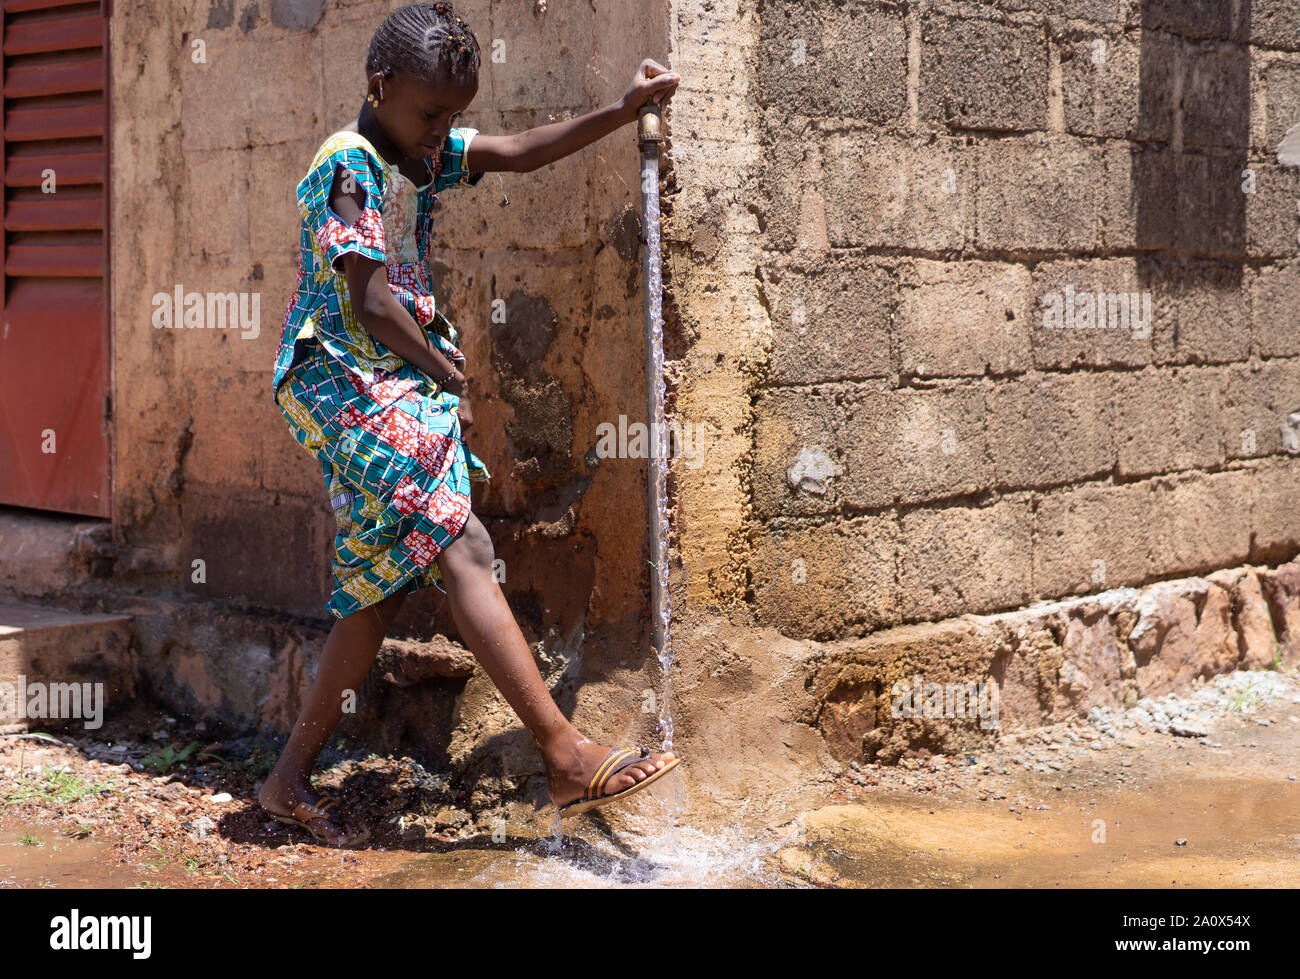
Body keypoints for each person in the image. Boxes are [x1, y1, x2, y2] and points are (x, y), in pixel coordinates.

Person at [262, 1, 682, 846]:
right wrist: (440, 366)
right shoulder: (347, 165)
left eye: (451, 117)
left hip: (391, 376)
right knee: (463, 544)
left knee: (378, 589)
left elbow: (519, 154)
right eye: (429, 115)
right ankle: (564, 754)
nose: (441, 133)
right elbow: (370, 299)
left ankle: (283, 781)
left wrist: (621, 109)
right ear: (380, 87)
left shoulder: (413, 150)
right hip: (343, 380)